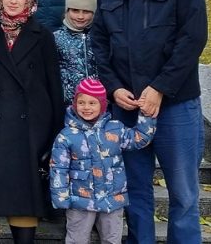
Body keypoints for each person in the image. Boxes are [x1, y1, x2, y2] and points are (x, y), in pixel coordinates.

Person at [92, 0, 208, 244]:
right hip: (127, 110)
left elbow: (192, 38)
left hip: (176, 104)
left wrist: (160, 87)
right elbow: (100, 46)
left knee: (184, 193)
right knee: (135, 191)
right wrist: (114, 89)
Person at [0, 0, 65, 243]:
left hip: (33, 121)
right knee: (12, 188)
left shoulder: (42, 35)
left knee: (26, 189)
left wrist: (55, 131)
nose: (14, 1)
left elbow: (54, 85)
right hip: (1, 119)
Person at [49, 78, 155, 244]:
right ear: (75, 104)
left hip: (112, 198)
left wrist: (146, 115)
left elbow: (139, 139)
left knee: (112, 239)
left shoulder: (116, 128)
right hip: (80, 200)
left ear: (103, 105)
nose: (86, 107)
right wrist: (61, 196)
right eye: (81, 102)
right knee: (77, 239)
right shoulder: (66, 135)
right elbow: (58, 169)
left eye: (92, 103)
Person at [54, 0, 98, 103]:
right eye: (75, 10)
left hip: (98, 105)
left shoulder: (99, 37)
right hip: (67, 105)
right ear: (67, 10)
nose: (80, 16)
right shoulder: (55, 38)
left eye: (86, 11)